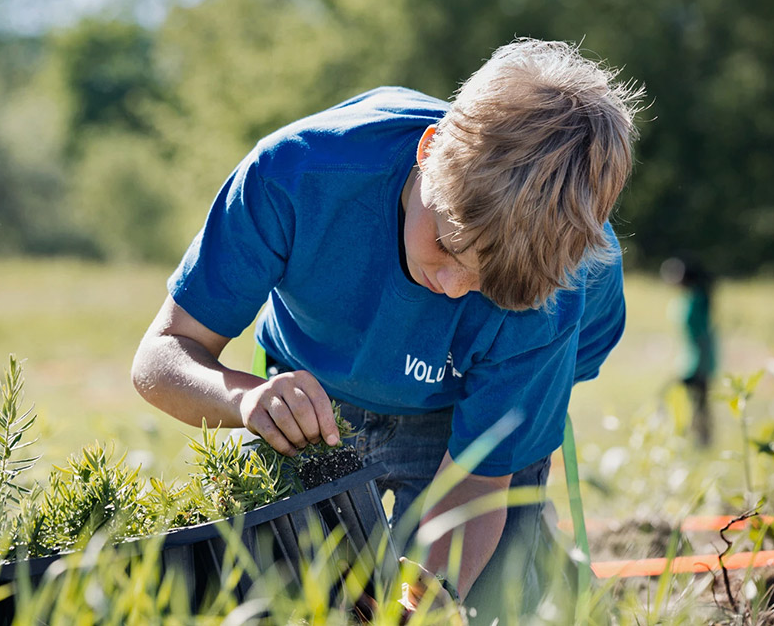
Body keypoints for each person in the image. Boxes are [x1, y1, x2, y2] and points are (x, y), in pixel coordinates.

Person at [131, 38, 642, 621]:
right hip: (315, 390)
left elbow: (477, 483)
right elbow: (161, 357)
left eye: (488, 285)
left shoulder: (560, 286)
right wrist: (247, 399)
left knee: (488, 601)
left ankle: (536, 554)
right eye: (445, 245)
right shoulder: (296, 176)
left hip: (467, 402)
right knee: (284, 597)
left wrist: (427, 598)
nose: (451, 287)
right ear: (429, 152)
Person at [660, 257, 718, 446]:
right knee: (696, 403)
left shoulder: (697, 300)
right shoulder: (687, 299)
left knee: (692, 402)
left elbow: (702, 336)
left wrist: (701, 366)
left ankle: (697, 440)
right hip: (688, 359)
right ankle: (695, 440)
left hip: (698, 362)